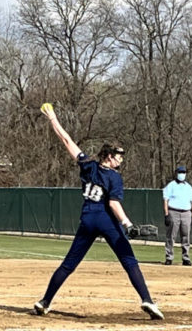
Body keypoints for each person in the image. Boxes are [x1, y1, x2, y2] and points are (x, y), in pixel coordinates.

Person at [33, 103, 163, 319]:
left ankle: (44, 301)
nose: (120, 161)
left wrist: (53, 119)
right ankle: (147, 300)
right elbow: (113, 204)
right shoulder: (114, 177)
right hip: (106, 220)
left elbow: (67, 141)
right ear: (109, 157)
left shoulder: (88, 165)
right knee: (129, 260)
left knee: (68, 264)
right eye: (118, 157)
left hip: (87, 219)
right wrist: (127, 224)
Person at [162, 165, 192, 266]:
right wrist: (166, 214)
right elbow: (166, 200)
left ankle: (186, 258)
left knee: (186, 236)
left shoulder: (188, 187)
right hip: (174, 211)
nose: (182, 174)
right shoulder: (171, 185)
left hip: (186, 212)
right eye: (180, 172)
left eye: (184, 172)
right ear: (176, 173)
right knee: (171, 236)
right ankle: (169, 257)